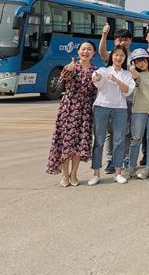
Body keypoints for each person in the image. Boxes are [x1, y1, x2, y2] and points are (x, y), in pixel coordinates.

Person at [46, 41, 99, 187]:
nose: (86, 52)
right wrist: (67, 71)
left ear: (94, 53)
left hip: (85, 110)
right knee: (66, 142)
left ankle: (74, 174)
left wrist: (98, 81)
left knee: (79, 143)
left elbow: (97, 91)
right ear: (78, 51)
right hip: (69, 108)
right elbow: (62, 80)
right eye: (83, 49)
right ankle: (65, 175)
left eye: (89, 49)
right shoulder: (70, 67)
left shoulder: (96, 71)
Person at [88, 46, 135, 185]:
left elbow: (127, 91)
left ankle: (118, 172)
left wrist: (117, 80)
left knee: (119, 140)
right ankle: (96, 173)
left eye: (122, 55)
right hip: (101, 106)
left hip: (120, 108)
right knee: (99, 141)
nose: (119, 58)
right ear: (111, 56)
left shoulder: (127, 74)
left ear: (125, 58)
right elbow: (96, 80)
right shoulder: (103, 70)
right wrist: (96, 78)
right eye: (116, 55)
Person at [97, 26, 133, 174]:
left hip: (128, 100)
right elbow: (101, 52)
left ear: (130, 41)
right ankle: (110, 161)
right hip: (109, 101)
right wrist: (104, 34)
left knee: (126, 132)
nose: (122, 42)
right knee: (110, 132)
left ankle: (126, 159)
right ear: (115, 41)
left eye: (125, 39)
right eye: (119, 39)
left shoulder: (134, 58)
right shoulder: (113, 56)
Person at [127, 49, 149, 180]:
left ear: (147, 60)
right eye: (137, 62)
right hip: (138, 110)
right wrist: (132, 70)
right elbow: (135, 76)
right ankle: (131, 168)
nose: (140, 64)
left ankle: (148, 168)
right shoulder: (137, 74)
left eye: (142, 60)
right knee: (135, 139)